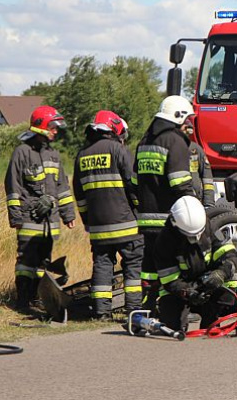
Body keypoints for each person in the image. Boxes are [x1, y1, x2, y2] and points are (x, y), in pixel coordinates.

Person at [5, 106, 76, 312]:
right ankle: (22, 301)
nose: (56, 131)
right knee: (26, 262)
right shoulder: (22, 152)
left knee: (43, 263)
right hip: (28, 219)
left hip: (50, 223)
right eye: (53, 127)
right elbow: (13, 187)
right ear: (42, 127)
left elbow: (62, 187)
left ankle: (38, 299)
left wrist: (68, 214)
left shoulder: (54, 154)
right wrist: (16, 216)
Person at [73, 110, 143, 319]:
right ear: (113, 128)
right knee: (133, 266)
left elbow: (80, 196)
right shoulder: (119, 150)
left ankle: (102, 312)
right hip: (126, 224)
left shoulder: (82, 155)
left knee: (102, 265)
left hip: (98, 227)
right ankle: (134, 310)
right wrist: (139, 209)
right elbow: (133, 185)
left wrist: (88, 221)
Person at [134, 96, 197, 312]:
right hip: (169, 219)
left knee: (150, 265)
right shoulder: (175, 141)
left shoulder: (144, 141)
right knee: (171, 264)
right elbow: (180, 184)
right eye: (187, 118)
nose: (188, 123)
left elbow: (134, 181)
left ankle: (147, 305)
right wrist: (194, 208)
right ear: (178, 116)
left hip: (146, 219)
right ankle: (170, 307)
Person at [155, 196, 237, 332]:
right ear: (175, 225)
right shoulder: (164, 242)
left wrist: (221, 273)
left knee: (232, 277)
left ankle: (213, 320)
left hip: (209, 283)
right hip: (183, 288)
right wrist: (188, 292)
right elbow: (169, 280)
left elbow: (230, 255)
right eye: (190, 236)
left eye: (198, 234)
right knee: (172, 325)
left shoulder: (209, 226)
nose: (195, 240)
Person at [184, 119, 215, 207]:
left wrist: (208, 203)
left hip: (195, 199)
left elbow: (207, 178)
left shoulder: (196, 149)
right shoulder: (172, 148)